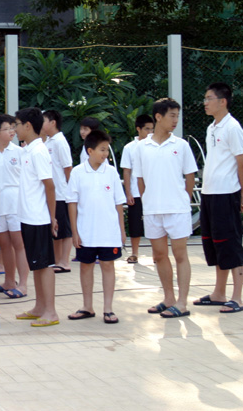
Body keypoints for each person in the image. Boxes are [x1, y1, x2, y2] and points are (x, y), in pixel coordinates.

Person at [132, 98, 198, 318]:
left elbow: (190, 177)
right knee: (159, 255)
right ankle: (168, 298)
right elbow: (140, 180)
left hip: (177, 209)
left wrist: (184, 199)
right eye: (172, 115)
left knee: (180, 254)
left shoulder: (181, 145)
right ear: (158, 117)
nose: (176, 120)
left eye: (177, 116)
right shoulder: (141, 147)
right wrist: (148, 201)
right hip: (152, 210)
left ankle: (182, 302)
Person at [194, 83, 243, 313]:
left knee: (231, 243)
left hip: (227, 194)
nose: (205, 103)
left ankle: (237, 298)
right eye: (205, 98)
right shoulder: (212, 127)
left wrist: (241, 194)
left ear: (222, 101)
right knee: (215, 242)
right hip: (210, 193)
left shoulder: (233, 128)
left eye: (209, 98)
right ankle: (219, 293)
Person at [67, 130, 126, 324]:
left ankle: (108, 309)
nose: (105, 154)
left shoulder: (111, 172)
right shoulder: (77, 172)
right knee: (86, 266)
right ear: (90, 151)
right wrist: (74, 232)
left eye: (107, 150)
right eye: (102, 149)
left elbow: (118, 203)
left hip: (109, 232)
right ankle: (87, 306)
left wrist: (122, 230)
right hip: (86, 232)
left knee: (108, 266)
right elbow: (72, 203)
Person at [13, 107, 60, 327]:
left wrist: (52, 217)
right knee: (36, 264)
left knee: (45, 265)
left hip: (39, 217)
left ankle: (51, 311)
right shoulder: (27, 150)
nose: (15, 129)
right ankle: (40, 307)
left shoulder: (39, 151)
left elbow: (49, 186)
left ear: (28, 126)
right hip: (28, 216)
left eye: (16, 125)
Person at [0, 114, 28, 298]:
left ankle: (23, 284)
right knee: (4, 245)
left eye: (12, 128)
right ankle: (9, 281)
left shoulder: (19, 152)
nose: (12, 131)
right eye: (6, 129)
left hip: (16, 204)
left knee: (19, 244)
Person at [42, 110, 74, 273]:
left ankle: (64, 261)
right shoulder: (48, 142)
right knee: (55, 227)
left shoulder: (60, 142)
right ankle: (56, 260)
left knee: (65, 229)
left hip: (61, 193)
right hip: (51, 193)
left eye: (44, 121)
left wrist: (71, 190)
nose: (41, 124)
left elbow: (67, 167)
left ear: (53, 122)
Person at [120, 114, 154, 263]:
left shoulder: (155, 146)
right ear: (138, 129)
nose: (150, 133)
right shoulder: (129, 148)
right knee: (135, 223)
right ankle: (134, 253)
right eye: (147, 129)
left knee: (154, 223)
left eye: (152, 129)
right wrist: (128, 193)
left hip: (152, 192)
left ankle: (157, 253)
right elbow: (126, 171)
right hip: (135, 192)